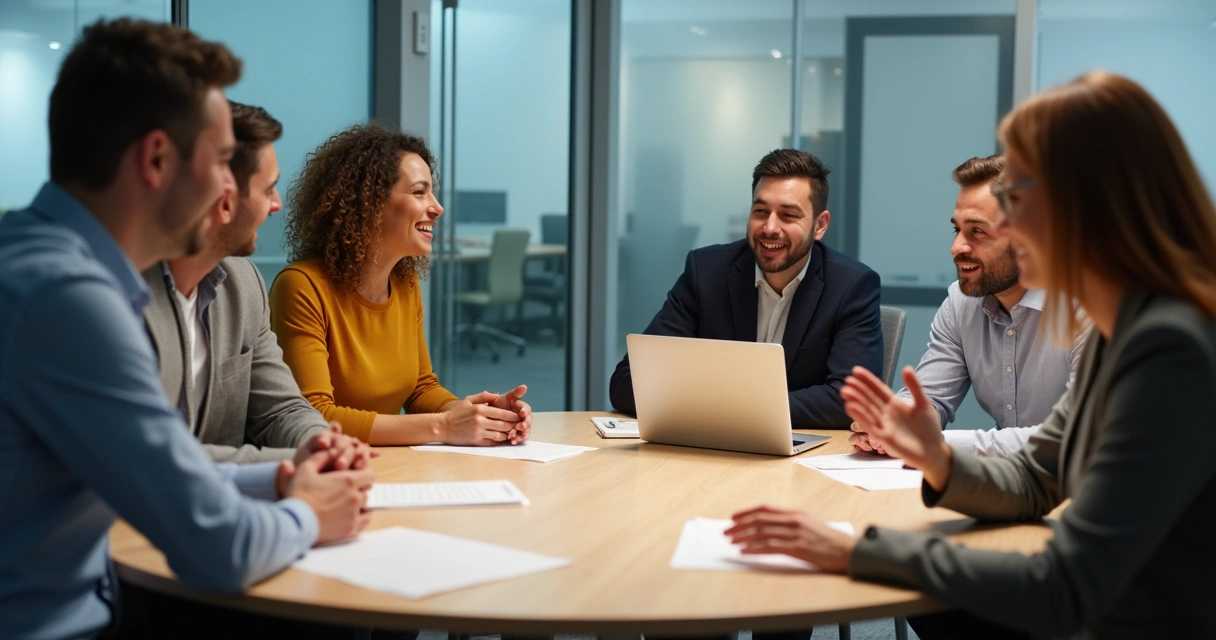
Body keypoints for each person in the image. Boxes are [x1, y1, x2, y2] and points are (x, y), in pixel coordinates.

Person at [727, 71, 1216, 638]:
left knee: (928, 588)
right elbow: (1038, 476)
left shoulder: (1168, 346)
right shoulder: (1124, 328)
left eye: (1017, 201)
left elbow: (1067, 584)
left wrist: (859, 551)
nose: (1000, 228)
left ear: (1090, 204)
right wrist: (933, 454)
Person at [0, 19, 374, 638]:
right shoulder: (67, 300)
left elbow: (162, 469)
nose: (228, 187)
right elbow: (218, 546)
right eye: (224, 160)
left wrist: (280, 477)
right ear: (155, 160)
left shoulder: (41, 258)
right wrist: (309, 513)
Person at [269, 123, 533, 446]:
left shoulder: (405, 284)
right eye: (420, 192)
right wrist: (446, 427)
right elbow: (315, 416)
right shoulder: (302, 287)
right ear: (368, 202)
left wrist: (480, 416)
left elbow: (421, 388)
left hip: (390, 465)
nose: (437, 207)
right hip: (328, 472)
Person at [609, 148, 883, 429]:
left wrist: (728, 408)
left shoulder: (851, 286)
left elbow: (853, 402)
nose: (770, 228)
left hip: (800, 460)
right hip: (706, 452)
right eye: (761, 211)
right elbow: (627, 381)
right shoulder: (706, 272)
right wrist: (729, 410)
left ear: (819, 225)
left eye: (788, 215)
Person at [849, 155, 1080, 459]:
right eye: (957, 229)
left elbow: (1075, 436)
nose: (957, 247)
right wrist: (895, 423)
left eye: (977, 232)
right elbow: (931, 396)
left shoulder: (1091, 307)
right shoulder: (961, 303)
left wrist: (935, 444)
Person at [142, 101, 332, 463]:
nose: (276, 205)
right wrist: (292, 463)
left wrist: (322, 444)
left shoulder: (244, 284)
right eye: (268, 190)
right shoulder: (121, 296)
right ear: (225, 200)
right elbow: (150, 456)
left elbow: (282, 410)